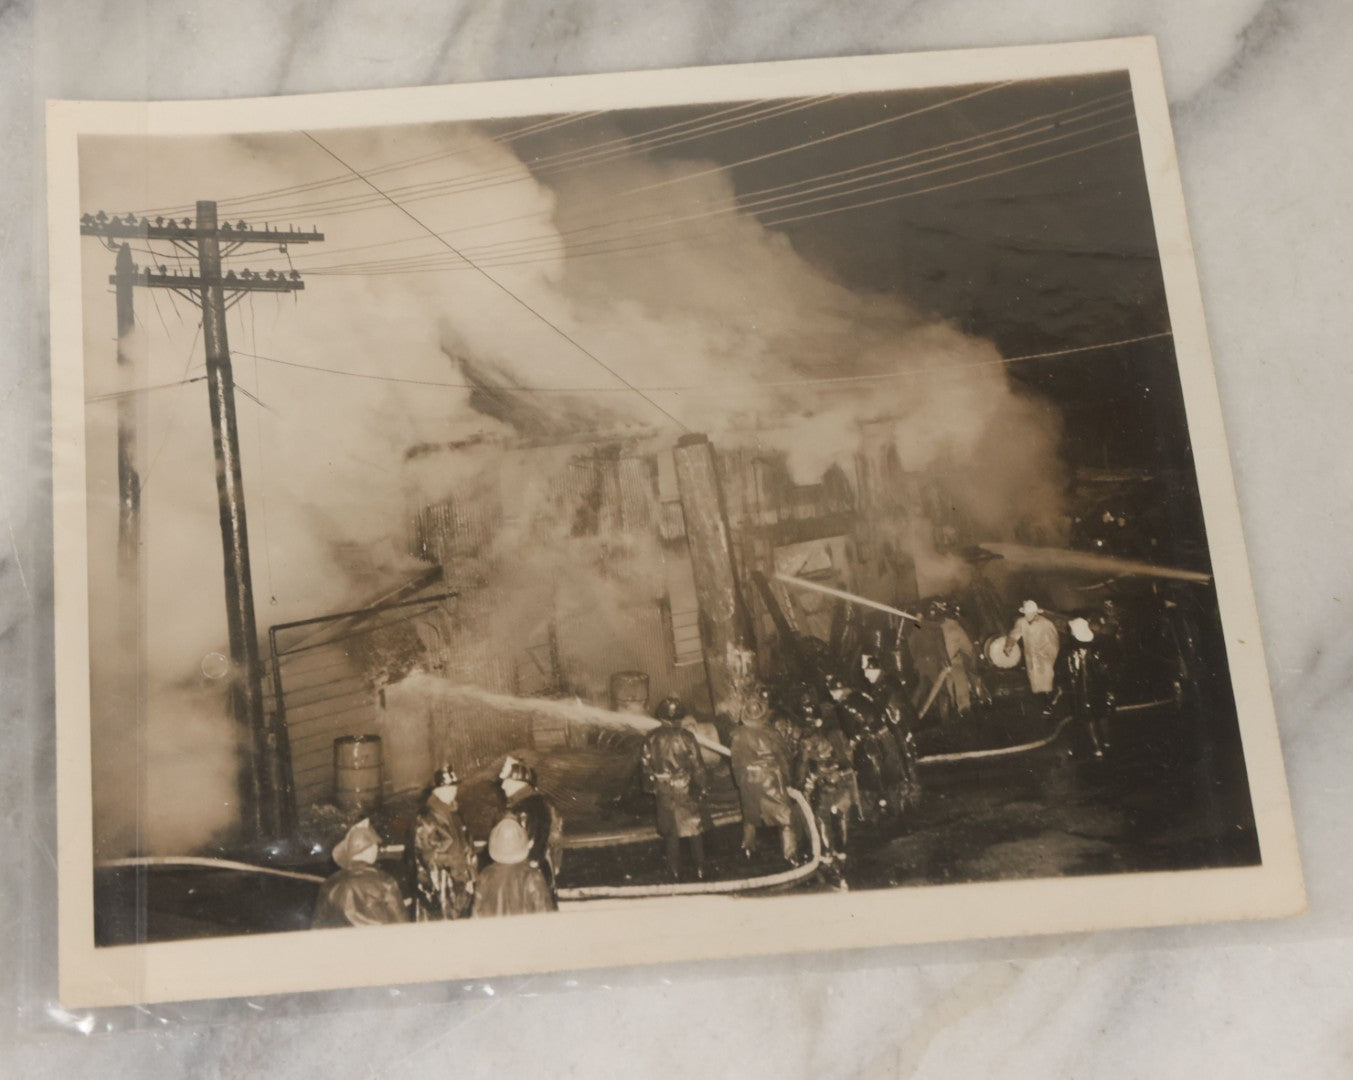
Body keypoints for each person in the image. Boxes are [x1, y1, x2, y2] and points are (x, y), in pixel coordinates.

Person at [640, 696, 708, 881]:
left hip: (664, 790)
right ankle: (701, 868)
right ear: (680, 716)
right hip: (685, 788)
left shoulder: (651, 737)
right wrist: (701, 788)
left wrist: (651, 787)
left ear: (661, 716)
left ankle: (674, 871)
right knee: (694, 828)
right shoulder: (688, 737)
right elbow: (698, 766)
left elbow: (645, 765)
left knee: (671, 833)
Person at [729, 694, 799, 864]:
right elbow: (784, 758)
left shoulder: (737, 734)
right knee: (785, 817)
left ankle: (747, 848)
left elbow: (735, 763)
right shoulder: (771, 733)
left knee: (751, 815)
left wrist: (742, 783)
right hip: (771, 780)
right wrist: (789, 781)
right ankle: (790, 856)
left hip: (749, 780)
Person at [794, 697, 856, 882]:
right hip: (843, 778)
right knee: (841, 813)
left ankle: (828, 858)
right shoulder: (836, 731)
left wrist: (799, 786)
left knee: (822, 817)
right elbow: (847, 758)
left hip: (824, 782)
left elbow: (802, 766)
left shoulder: (807, 739)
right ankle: (843, 854)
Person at [312, 818, 408, 928]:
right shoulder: (384, 881)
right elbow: (402, 927)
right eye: (375, 846)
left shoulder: (329, 884)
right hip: (378, 943)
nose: (377, 849)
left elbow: (318, 928)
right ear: (369, 849)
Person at [409, 763, 476, 921]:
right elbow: (427, 857)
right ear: (436, 791)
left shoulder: (455, 813)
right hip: (439, 889)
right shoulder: (426, 818)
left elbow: (467, 846)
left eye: (454, 787)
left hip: (459, 886)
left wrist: (471, 876)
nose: (454, 791)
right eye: (448, 788)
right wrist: (459, 872)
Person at [1054, 616, 1118, 758]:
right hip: (1098, 690)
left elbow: (1060, 669)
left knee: (1088, 719)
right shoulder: (1098, 647)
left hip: (1079, 691)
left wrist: (1059, 685)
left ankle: (1097, 748)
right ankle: (1107, 742)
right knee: (1102, 715)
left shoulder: (1067, 649)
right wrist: (1109, 689)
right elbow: (1106, 670)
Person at [498, 756, 564, 890]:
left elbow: (525, 847)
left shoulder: (523, 808)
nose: (503, 786)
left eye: (507, 781)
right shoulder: (538, 802)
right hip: (541, 870)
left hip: (527, 876)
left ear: (518, 783)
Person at [473, 818, 557, 917]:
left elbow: (476, 914)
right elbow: (546, 915)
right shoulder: (533, 876)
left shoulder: (485, 876)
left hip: (493, 932)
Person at [1004, 599, 1061, 698]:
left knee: (1047, 682)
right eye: (1026, 613)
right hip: (1031, 658)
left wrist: (1050, 656)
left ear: (1035, 613)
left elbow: (1054, 641)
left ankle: (1052, 699)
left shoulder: (1046, 624)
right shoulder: (1021, 622)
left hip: (1045, 658)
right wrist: (1009, 645)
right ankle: (1042, 702)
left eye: (1029, 613)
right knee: (1035, 683)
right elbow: (1014, 634)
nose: (1027, 616)